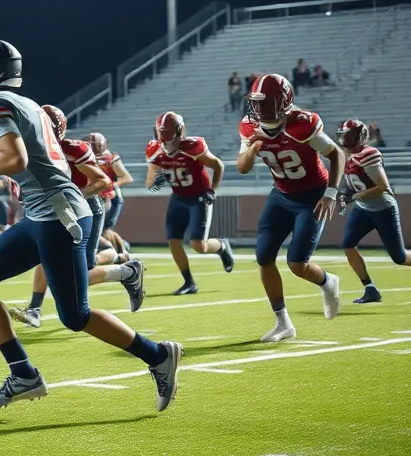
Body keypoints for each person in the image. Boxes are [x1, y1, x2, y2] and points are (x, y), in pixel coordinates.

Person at [0, 39, 180, 412]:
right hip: (46, 212)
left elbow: (14, 158)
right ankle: (23, 374)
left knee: (75, 315)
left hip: (58, 215)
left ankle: (158, 355)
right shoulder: (27, 104)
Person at [9, 105, 145, 328]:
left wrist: (73, 196)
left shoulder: (73, 149)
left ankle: (126, 271)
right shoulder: (29, 150)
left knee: (82, 272)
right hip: (53, 209)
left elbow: (103, 182)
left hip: (86, 208)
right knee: (46, 254)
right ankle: (34, 309)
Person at [237, 74, 344, 342]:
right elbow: (242, 167)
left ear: (283, 102)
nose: (259, 109)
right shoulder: (250, 127)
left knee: (297, 264)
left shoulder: (302, 124)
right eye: (257, 103)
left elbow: (337, 155)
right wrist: (252, 149)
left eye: (266, 102)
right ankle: (283, 323)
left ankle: (328, 282)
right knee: (264, 257)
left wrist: (330, 194)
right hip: (281, 195)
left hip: (312, 197)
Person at [145, 112, 234, 295]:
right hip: (178, 198)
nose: (169, 145)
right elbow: (149, 182)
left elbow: (218, 165)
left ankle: (221, 246)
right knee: (173, 241)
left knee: (198, 246)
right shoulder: (154, 149)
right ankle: (189, 282)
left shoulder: (193, 146)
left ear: (180, 133)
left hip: (198, 199)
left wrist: (211, 190)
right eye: (165, 141)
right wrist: (155, 181)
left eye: (171, 140)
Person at [335, 119, 408, 304]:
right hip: (364, 207)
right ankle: (370, 289)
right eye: (344, 136)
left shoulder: (369, 154)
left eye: (350, 136)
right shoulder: (346, 154)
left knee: (399, 257)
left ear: (359, 138)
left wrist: (354, 196)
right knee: (348, 244)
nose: (345, 141)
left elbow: (382, 186)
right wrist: (344, 193)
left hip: (383, 208)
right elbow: (349, 181)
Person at [87, 132, 133, 260]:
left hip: (112, 198)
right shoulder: (87, 157)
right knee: (100, 229)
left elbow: (127, 178)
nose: (95, 149)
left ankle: (123, 250)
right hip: (96, 197)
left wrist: (110, 186)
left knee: (104, 229)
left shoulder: (111, 158)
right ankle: (122, 249)